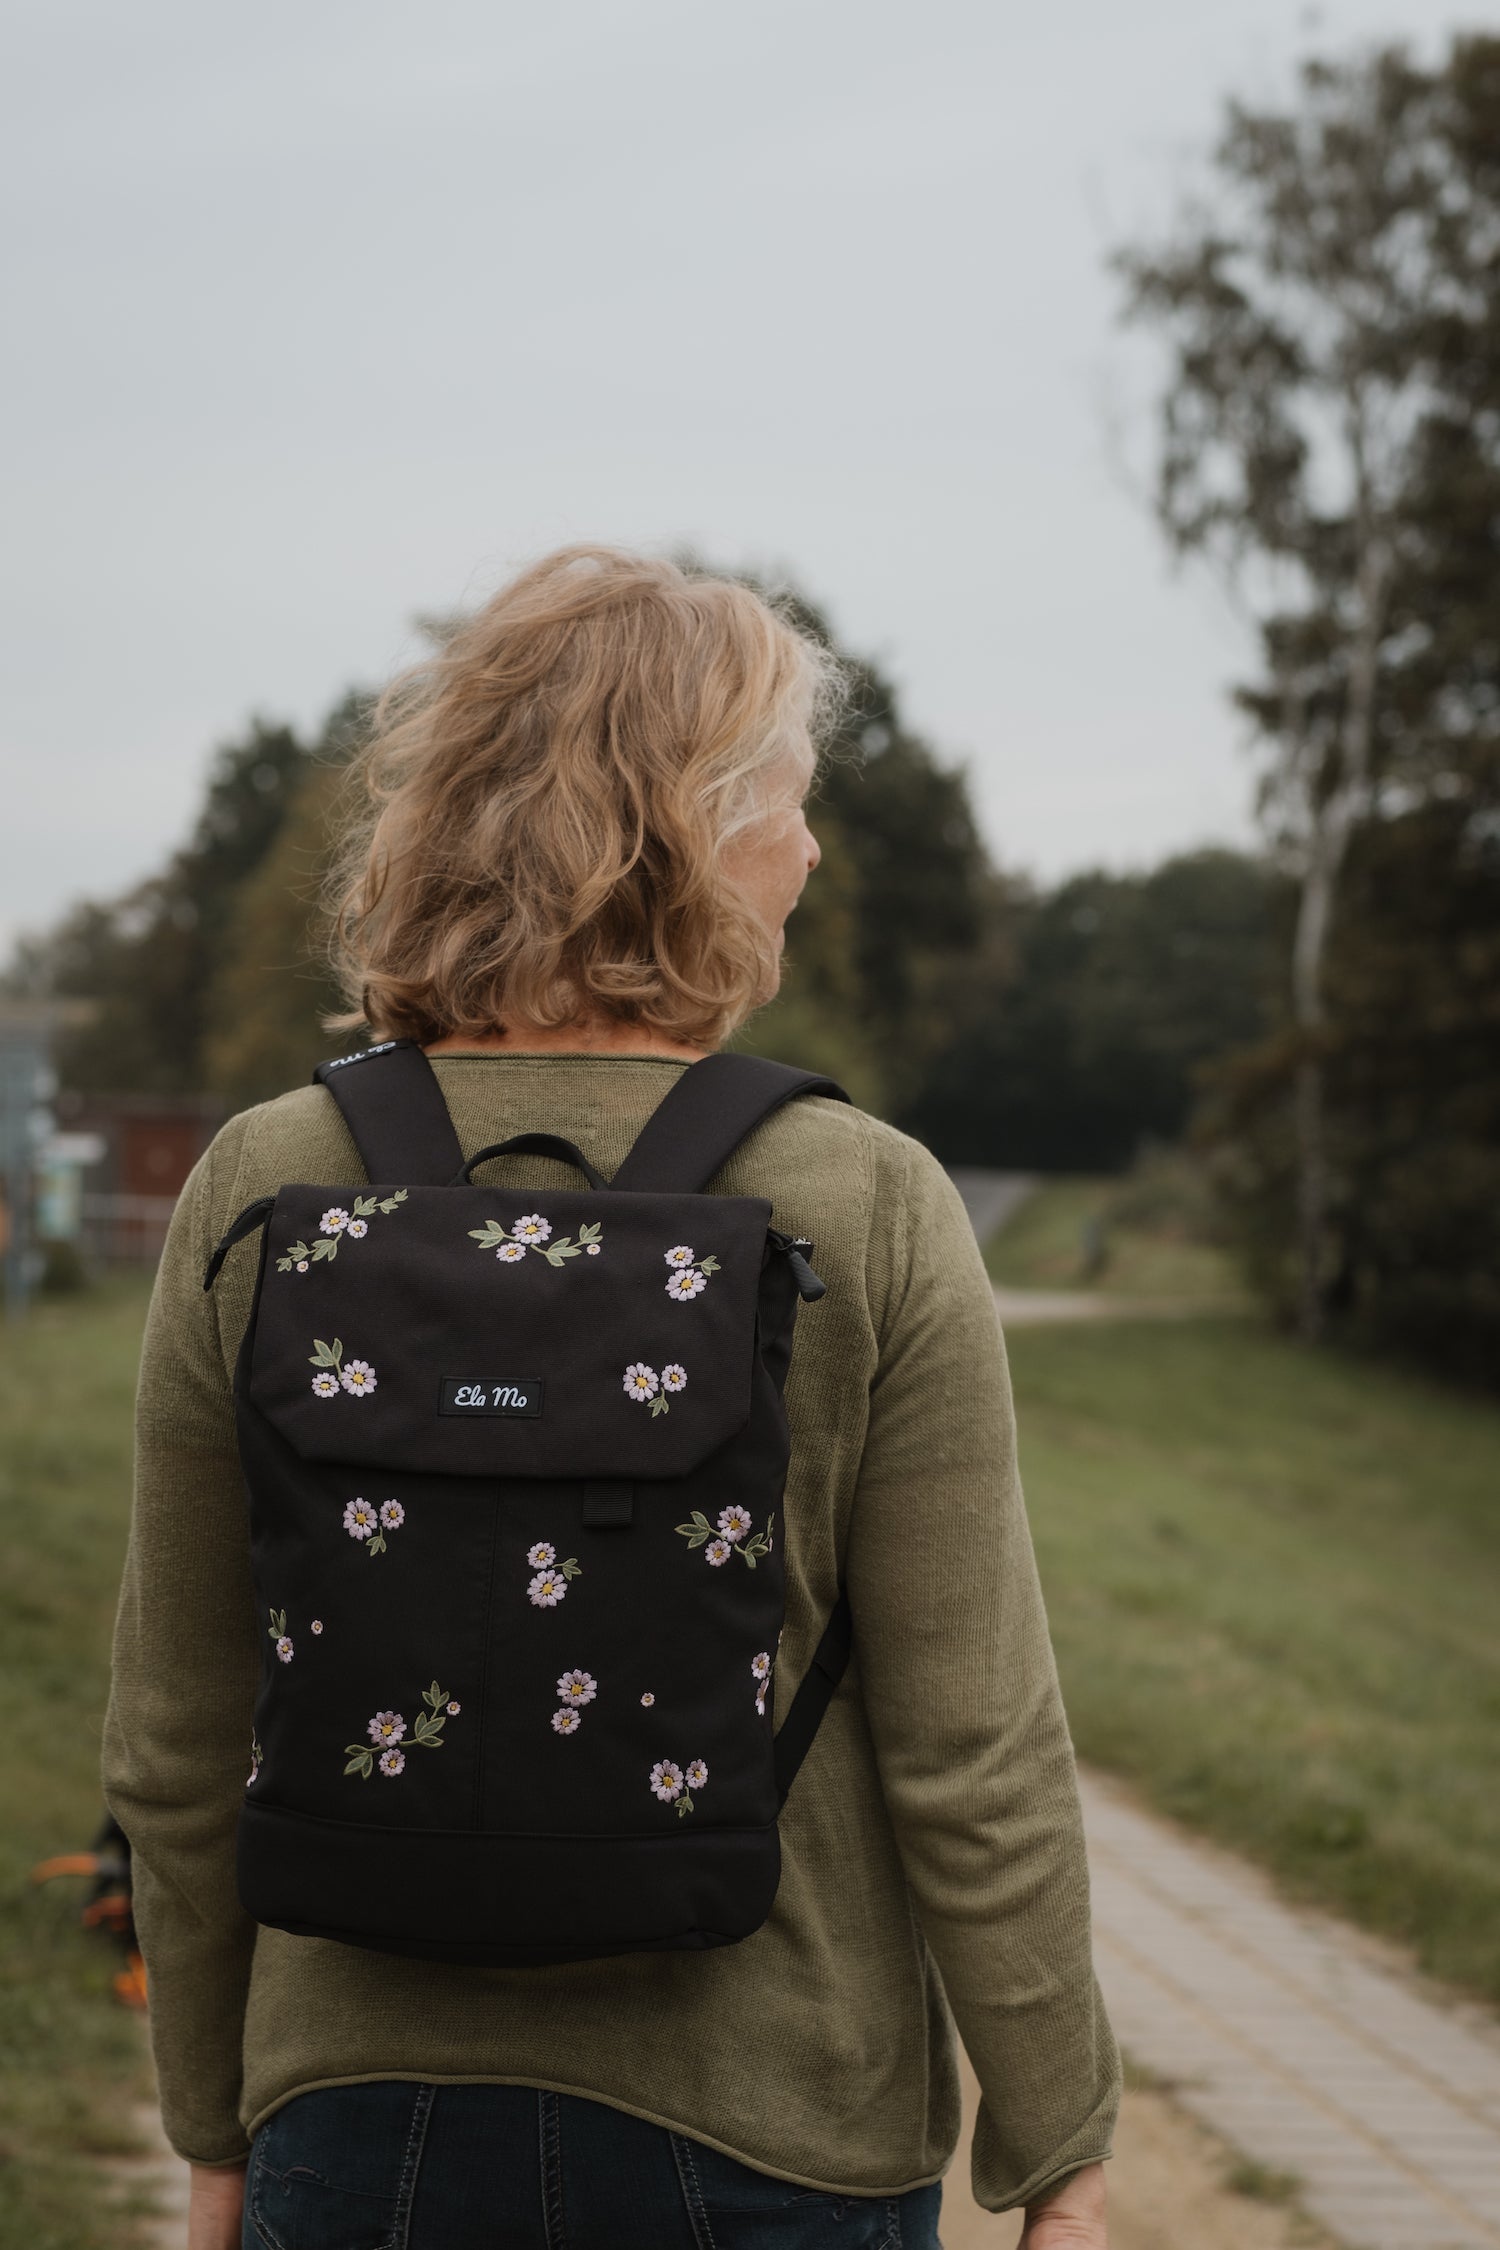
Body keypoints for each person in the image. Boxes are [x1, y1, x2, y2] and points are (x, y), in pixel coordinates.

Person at [104, 547, 1118, 2250]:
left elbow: (179, 1730)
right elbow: (974, 1746)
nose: (811, 849)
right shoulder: (864, 1196)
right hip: (777, 2128)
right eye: (792, 800)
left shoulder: (267, 1180)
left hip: (355, 2121)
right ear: (696, 830)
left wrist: (217, 2122)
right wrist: (1059, 2145)